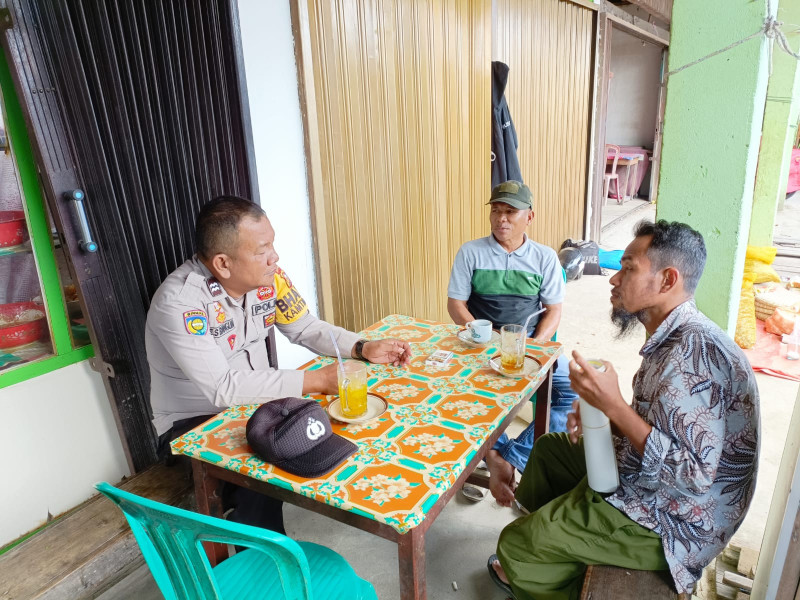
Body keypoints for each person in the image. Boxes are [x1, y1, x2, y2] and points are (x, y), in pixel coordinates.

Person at [490, 220, 760, 600]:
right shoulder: (674, 336)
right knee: (551, 451)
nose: (614, 279)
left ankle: (541, 559)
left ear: (667, 280)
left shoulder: (691, 357)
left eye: (629, 268)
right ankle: (562, 549)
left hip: (674, 522)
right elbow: (662, 428)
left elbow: (693, 477)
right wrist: (604, 415)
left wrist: (614, 405)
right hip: (654, 484)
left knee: (516, 546)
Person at [145, 195, 411, 534]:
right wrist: (315, 381)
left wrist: (362, 346)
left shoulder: (269, 280)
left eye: (273, 245)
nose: (275, 258)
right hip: (192, 424)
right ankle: (259, 567)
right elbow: (222, 388)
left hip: (256, 405)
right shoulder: (182, 303)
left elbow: (305, 327)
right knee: (261, 468)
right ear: (223, 264)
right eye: (262, 250)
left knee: (341, 422)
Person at [447, 180, 577, 506]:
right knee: (460, 391)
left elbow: (554, 311)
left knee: (571, 392)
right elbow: (456, 304)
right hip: (481, 345)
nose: (501, 219)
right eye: (496, 210)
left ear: (529, 217)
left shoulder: (545, 258)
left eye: (510, 211)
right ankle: (493, 452)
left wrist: (534, 346)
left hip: (528, 345)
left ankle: (509, 455)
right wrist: (480, 336)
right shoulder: (471, 252)